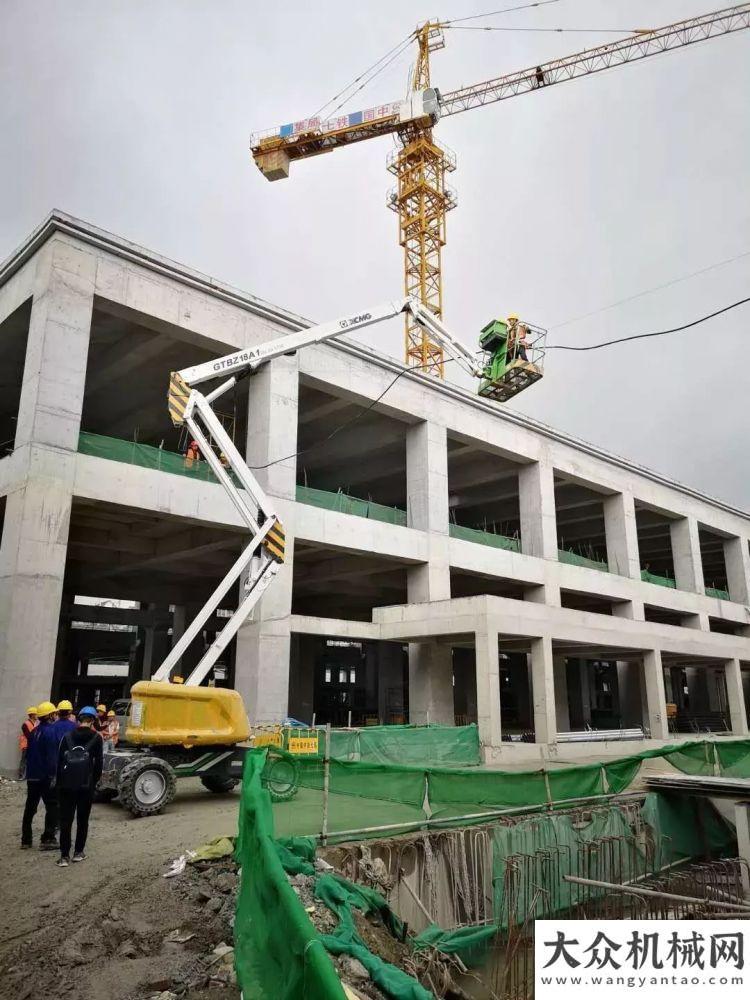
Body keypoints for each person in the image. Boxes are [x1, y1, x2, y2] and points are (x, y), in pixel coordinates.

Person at [56, 706, 103, 867]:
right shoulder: (96, 738)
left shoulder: (67, 737)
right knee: (82, 820)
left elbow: (59, 762)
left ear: (78, 719)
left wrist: (59, 783)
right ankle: (78, 853)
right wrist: (93, 783)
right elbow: (99, 765)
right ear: (93, 720)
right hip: (85, 786)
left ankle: (63, 857)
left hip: (66, 786)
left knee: (65, 820)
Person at [21, 701, 60, 851]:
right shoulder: (51, 732)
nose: (55, 715)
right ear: (50, 715)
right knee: (52, 806)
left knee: (30, 807)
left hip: (33, 776)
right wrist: (53, 775)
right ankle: (48, 839)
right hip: (45, 777)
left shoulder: (35, 731)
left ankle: (26, 840)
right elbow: (52, 757)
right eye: (54, 713)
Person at [18, 707, 38, 779]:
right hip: (26, 745)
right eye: (36, 714)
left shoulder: (36, 723)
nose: (37, 715)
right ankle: (21, 775)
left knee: (30, 760)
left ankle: (27, 775)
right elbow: (29, 736)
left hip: (32, 745)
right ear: (32, 715)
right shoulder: (25, 724)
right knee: (24, 760)